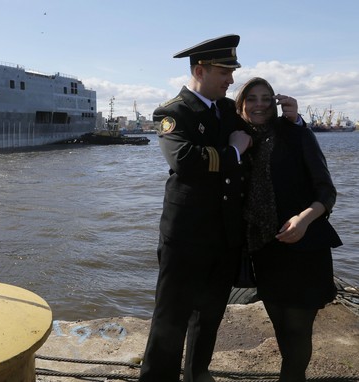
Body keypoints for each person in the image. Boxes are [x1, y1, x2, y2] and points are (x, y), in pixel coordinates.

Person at [139, 34, 252, 382]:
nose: (231, 80)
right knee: (171, 317)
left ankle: (197, 374)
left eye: (232, 72)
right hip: (186, 237)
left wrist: (295, 122)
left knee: (210, 314)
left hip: (224, 233)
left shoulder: (226, 110)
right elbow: (185, 160)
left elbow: (257, 135)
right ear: (200, 70)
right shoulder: (174, 112)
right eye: (225, 72)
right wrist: (233, 152)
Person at [236, 77, 342, 382]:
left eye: (266, 98)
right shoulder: (240, 141)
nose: (259, 105)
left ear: (275, 102)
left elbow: (326, 191)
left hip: (304, 247)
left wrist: (304, 219)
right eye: (252, 98)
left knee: (298, 330)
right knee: (281, 328)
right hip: (266, 249)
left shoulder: (297, 136)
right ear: (241, 104)